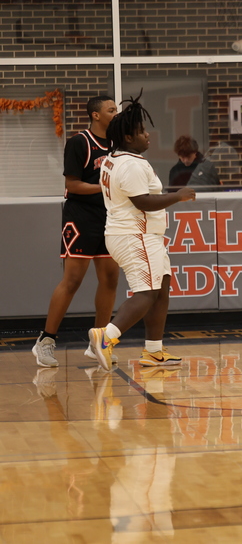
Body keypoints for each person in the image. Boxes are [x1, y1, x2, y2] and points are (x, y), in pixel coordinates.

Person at [88, 93, 197, 371]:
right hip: (135, 235)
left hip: (132, 234)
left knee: (161, 288)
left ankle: (154, 351)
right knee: (146, 292)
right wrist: (178, 196)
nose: (147, 135)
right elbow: (143, 202)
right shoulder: (132, 164)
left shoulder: (113, 158)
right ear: (127, 137)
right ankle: (105, 337)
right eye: (141, 131)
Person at [32, 95, 120, 368]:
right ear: (96, 115)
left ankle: (99, 343)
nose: (115, 113)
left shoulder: (117, 144)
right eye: (111, 109)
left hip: (109, 217)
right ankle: (45, 341)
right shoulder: (79, 142)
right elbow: (72, 185)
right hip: (81, 217)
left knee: (110, 279)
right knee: (72, 281)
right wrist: (105, 188)